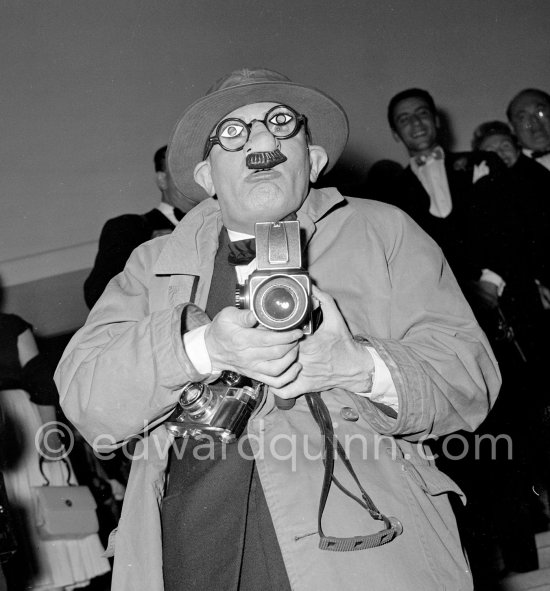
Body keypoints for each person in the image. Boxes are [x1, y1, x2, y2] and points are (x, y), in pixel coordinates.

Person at [55, 68, 500, 591]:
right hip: (195, 551)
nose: (261, 141)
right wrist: (201, 348)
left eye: (281, 124)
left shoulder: (382, 231)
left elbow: (471, 376)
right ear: (206, 178)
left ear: (312, 161)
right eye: (233, 133)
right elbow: (86, 398)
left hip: (364, 544)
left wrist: (358, 366)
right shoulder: (151, 267)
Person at [0, 312, 110, 590]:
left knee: (41, 507)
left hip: (19, 425)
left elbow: (41, 381)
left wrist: (49, 434)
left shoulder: (9, 326)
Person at [386, 88, 505, 294]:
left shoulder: (483, 161)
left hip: (506, 288)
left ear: (436, 120)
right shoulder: (391, 193)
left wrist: (492, 281)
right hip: (443, 299)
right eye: (404, 119)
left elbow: (508, 222)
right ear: (395, 133)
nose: (415, 123)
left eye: (422, 113)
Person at [84, 145, 197, 309]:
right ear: (162, 180)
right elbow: (98, 295)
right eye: (181, 171)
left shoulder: (220, 222)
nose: (193, 179)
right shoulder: (128, 227)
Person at [507, 88, 550, 172]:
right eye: (523, 118)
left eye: (540, 112)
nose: (534, 121)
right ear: (512, 128)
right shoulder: (509, 179)